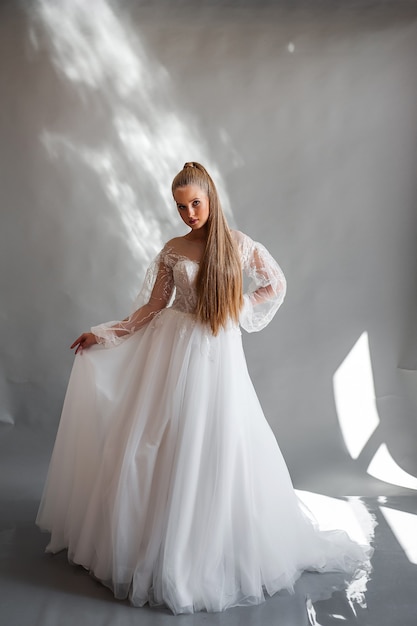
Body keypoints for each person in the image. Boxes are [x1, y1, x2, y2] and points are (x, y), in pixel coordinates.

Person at [36, 162, 372, 614]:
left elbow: (276, 283)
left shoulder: (237, 245)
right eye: (181, 207)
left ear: (210, 198)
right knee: (156, 441)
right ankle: (155, 545)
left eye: (195, 203)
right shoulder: (173, 249)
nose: (189, 213)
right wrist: (108, 333)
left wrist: (237, 304)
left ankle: (209, 546)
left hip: (215, 355)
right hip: (172, 350)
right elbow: (155, 306)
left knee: (215, 441)